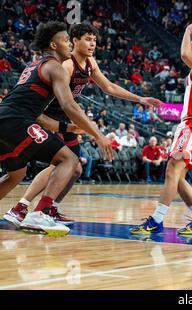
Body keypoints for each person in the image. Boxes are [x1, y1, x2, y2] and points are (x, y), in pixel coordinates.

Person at [4, 23, 161, 227]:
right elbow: (66, 103)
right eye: (87, 39)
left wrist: (140, 99)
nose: (92, 43)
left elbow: (108, 87)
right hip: (50, 116)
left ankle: (50, 209)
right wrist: (90, 131)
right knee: (63, 162)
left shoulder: (88, 62)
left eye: (95, 40)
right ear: (74, 41)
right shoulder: (64, 66)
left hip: (62, 118)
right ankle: (24, 208)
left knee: (74, 169)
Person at [0, 21, 112, 236]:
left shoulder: (35, 65)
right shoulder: (55, 66)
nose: (70, 44)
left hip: (7, 118)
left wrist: (68, 127)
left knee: (16, 174)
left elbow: (41, 118)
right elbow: (69, 105)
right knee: (68, 159)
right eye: (65, 40)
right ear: (53, 45)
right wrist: (98, 135)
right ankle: (39, 214)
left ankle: (26, 210)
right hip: (17, 120)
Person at [131, 21, 192, 235]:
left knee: (172, 171)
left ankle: (156, 220)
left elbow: (184, 55)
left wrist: (187, 31)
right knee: (177, 177)